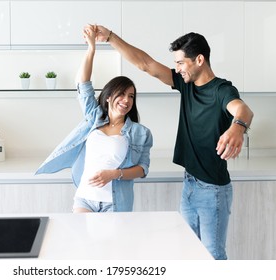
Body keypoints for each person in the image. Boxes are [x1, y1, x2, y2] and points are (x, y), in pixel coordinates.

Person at [93, 25, 253, 260]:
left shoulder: (222, 90)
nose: (177, 69)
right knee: (189, 252)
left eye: (180, 63)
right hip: (189, 184)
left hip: (213, 190)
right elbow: (145, 64)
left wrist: (237, 128)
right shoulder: (186, 85)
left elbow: (242, 109)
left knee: (213, 255)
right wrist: (109, 37)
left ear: (199, 60)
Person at [36, 25, 153, 213]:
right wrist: (91, 49)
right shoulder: (94, 118)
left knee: (112, 244)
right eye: (121, 94)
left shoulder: (140, 133)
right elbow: (83, 84)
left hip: (115, 204)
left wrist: (115, 174)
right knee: (83, 243)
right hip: (85, 199)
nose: (126, 100)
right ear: (108, 96)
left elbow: (142, 169)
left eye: (131, 96)